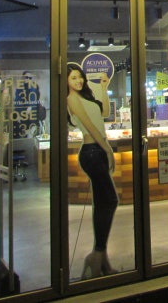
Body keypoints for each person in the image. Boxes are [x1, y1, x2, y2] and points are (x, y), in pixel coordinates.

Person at [66, 63, 118, 278]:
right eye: (73, 78)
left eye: (79, 77)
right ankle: (97, 254)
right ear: (66, 82)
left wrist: (104, 88)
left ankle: (101, 258)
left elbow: (104, 112)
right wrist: (108, 149)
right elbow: (90, 126)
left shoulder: (85, 97)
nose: (78, 80)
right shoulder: (71, 100)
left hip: (97, 151)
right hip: (92, 152)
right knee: (110, 200)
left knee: (103, 202)